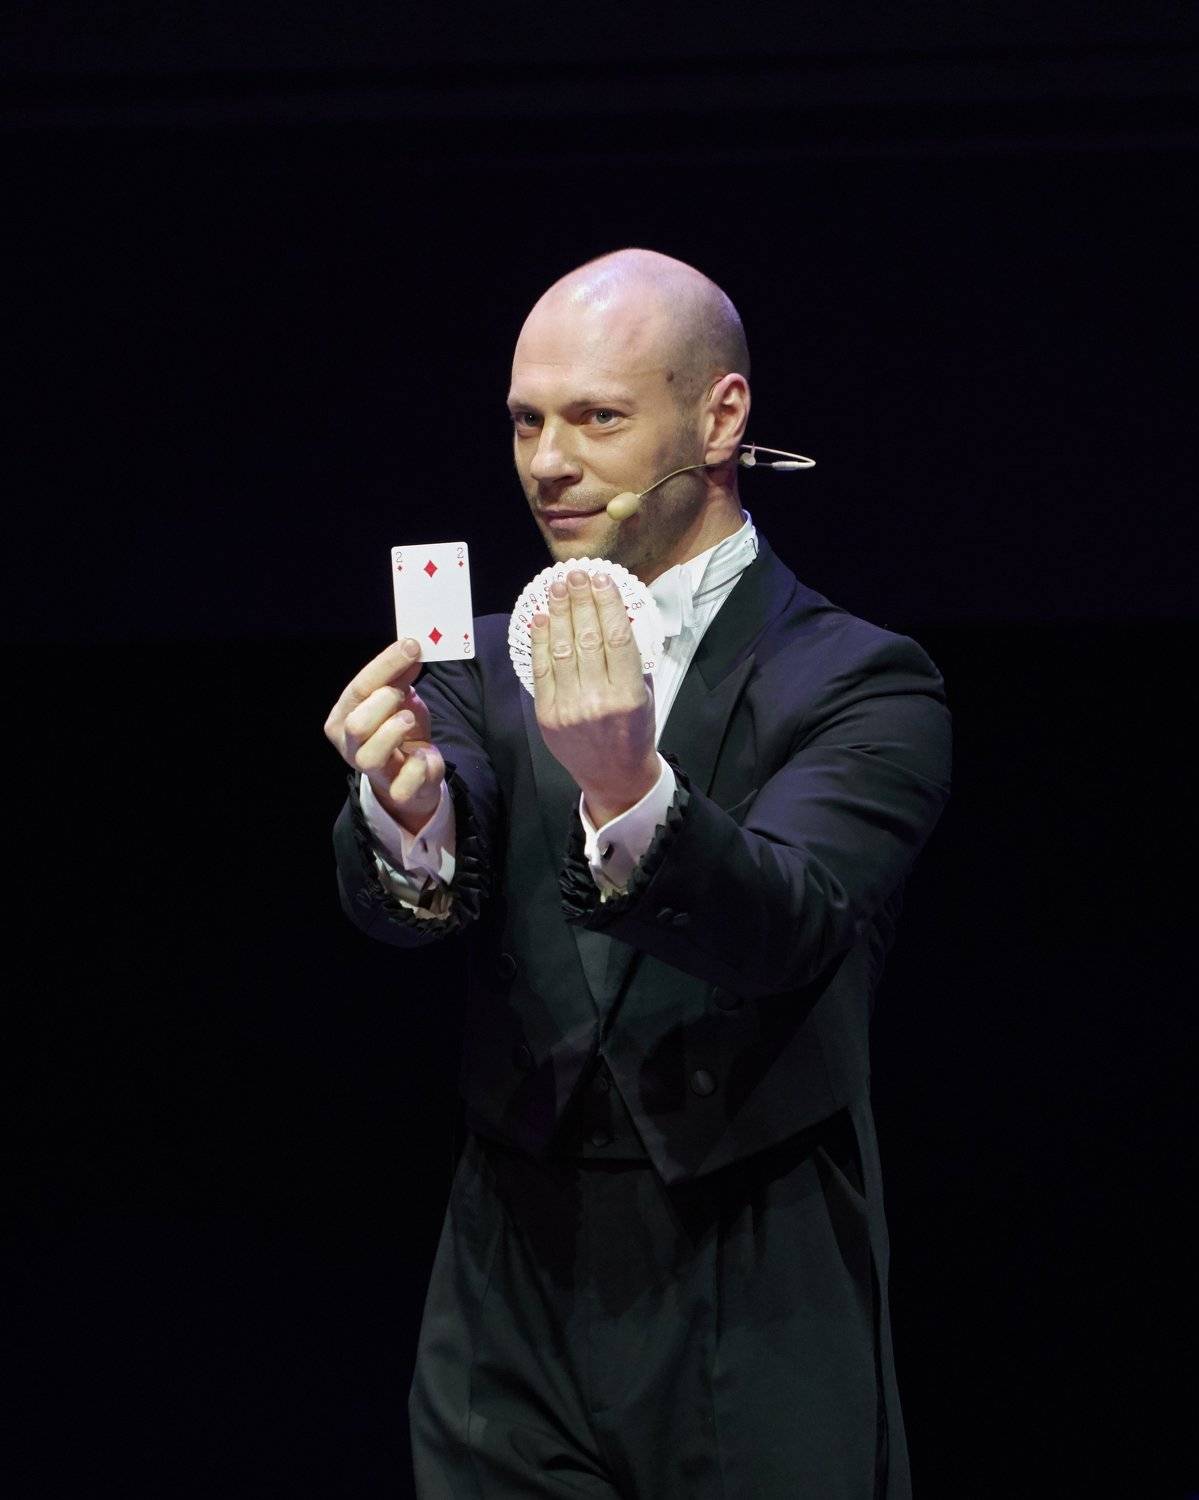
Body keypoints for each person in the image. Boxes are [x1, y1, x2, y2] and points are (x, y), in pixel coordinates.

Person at [324, 248, 951, 1498]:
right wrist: (404, 815)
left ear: (719, 419)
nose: (548, 463)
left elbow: (788, 924)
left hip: (755, 1270)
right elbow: (420, 884)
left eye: (596, 418)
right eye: (526, 422)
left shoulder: (861, 679)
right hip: (508, 1275)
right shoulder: (478, 662)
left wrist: (627, 790)